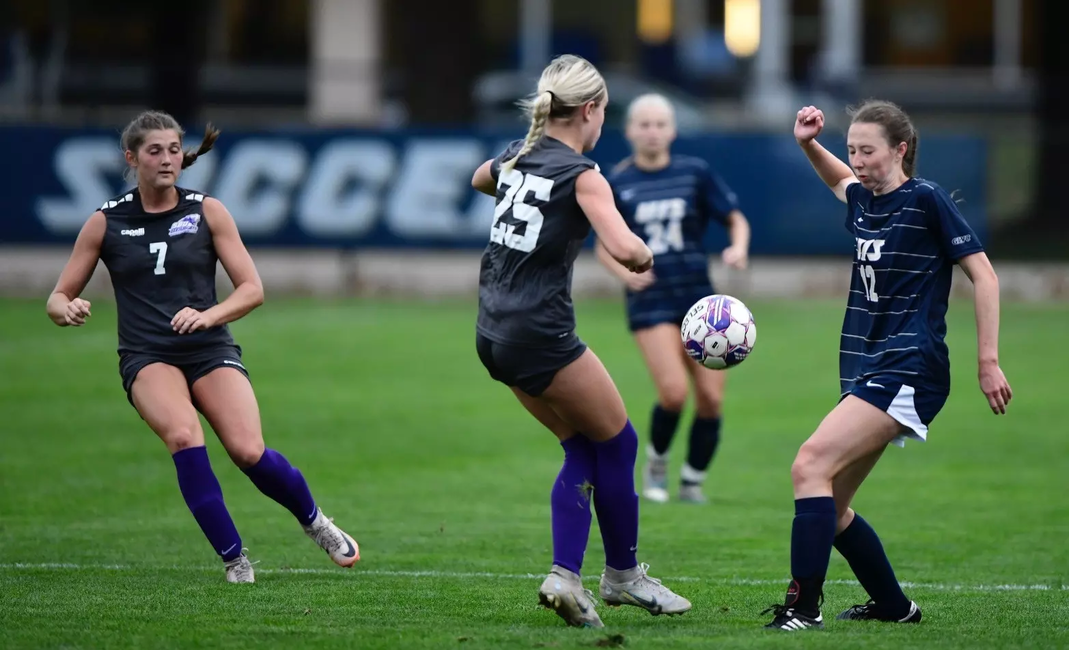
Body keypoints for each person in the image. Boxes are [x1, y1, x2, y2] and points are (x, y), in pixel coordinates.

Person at [46, 110, 360, 584]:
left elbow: (252, 288)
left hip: (209, 348)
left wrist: (209, 315)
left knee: (248, 451)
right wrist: (63, 308)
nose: (167, 159)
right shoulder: (104, 222)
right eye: (155, 151)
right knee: (183, 437)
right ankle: (236, 561)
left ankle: (316, 522)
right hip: (147, 355)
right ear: (131, 158)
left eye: (174, 149)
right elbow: (57, 295)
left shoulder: (206, 210)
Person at [762, 100, 1013, 631]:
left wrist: (987, 360)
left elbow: (984, 276)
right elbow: (839, 180)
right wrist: (809, 143)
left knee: (808, 465)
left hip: (909, 364)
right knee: (828, 508)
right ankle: (897, 609)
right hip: (867, 363)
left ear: (900, 150)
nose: (857, 160)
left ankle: (803, 609)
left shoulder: (925, 200)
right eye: (852, 149)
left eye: (868, 151)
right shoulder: (862, 199)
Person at [470, 55, 692, 628]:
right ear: (590, 111)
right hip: (539, 334)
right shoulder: (583, 172)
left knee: (583, 447)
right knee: (619, 443)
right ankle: (621, 576)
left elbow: (480, 177)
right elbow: (626, 249)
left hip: (492, 333)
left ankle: (566, 576)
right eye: (604, 115)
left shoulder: (517, 156)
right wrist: (646, 252)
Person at [598, 93, 751, 505]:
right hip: (652, 300)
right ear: (629, 130)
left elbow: (735, 218)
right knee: (673, 393)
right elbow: (602, 245)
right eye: (643, 124)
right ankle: (657, 461)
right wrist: (624, 275)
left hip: (700, 300)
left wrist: (737, 248)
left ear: (673, 130)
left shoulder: (694, 172)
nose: (652, 132)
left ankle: (692, 481)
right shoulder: (617, 182)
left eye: (660, 124)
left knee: (712, 398)